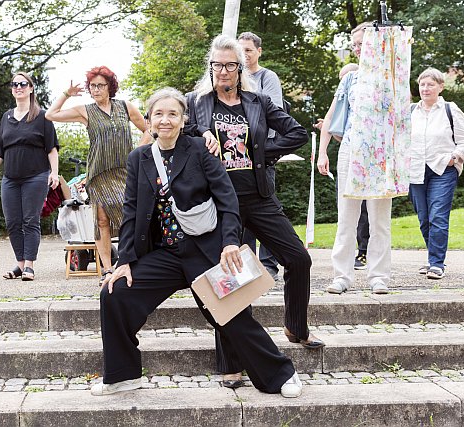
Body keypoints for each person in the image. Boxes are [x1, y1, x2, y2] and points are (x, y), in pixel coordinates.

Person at [93, 87, 302, 398]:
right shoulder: (139, 158)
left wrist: (230, 243)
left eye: (172, 114)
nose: (165, 120)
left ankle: (281, 374)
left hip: (205, 251)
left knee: (233, 315)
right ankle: (122, 375)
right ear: (149, 120)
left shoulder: (200, 149)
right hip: (165, 254)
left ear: (183, 119)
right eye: (159, 114)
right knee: (115, 293)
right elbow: (131, 211)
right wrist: (124, 261)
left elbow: (227, 200)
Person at [184, 35, 322, 390]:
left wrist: (261, 151)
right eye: (217, 65)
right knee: (229, 278)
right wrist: (201, 138)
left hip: (259, 197)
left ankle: (295, 326)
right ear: (210, 67)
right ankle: (230, 363)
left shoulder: (257, 101)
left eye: (230, 65)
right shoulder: (196, 103)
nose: (223, 71)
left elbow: (297, 133)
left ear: (240, 68)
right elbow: (177, 139)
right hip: (219, 202)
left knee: (298, 259)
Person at [46, 66, 149, 284]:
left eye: (100, 85)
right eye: (92, 86)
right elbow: (50, 115)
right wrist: (66, 94)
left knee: (129, 217)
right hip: (98, 174)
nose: (96, 90)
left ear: (110, 86)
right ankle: (108, 270)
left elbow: (149, 130)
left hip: (124, 172)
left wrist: (137, 153)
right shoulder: (86, 111)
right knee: (102, 221)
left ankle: (131, 263)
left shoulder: (125, 107)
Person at [317, 22, 392, 295]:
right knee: (346, 217)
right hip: (351, 150)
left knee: (379, 219)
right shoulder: (349, 79)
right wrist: (323, 151)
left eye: (362, 43)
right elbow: (331, 117)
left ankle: (379, 276)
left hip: (381, 154)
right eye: (355, 45)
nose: (357, 49)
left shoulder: (391, 76)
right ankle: (342, 276)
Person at [0, 72, 60, 281]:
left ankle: (29, 266)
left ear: (31, 88)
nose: (18, 87)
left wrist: (54, 173)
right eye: (14, 84)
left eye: (23, 84)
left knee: (30, 220)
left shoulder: (42, 116)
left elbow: (52, 149)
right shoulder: (6, 117)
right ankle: (19, 264)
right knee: (12, 222)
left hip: (35, 176)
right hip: (10, 178)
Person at [409, 68, 464, 279]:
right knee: (424, 219)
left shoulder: (450, 109)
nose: (425, 88)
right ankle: (433, 257)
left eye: (430, 84)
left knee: (438, 217)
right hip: (416, 170)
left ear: (440, 87)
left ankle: (436, 263)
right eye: (422, 84)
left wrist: (455, 157)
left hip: (443, 169)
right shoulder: (411, 111)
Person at [237, 31, 283, 280]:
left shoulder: (267, 77)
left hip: (262, 152)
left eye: (249, 50)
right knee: (243, 212)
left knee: (266, 208)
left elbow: (272, 112)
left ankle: (269, 265)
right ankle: (248, 267)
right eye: (241, 50)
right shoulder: (233, 76)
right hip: (237, 154)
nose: (244, 54)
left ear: (259, 52)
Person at [315, 63, 369, 271]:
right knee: (346, 209)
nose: (342, 81)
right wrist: (322, 152)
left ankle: (364, 251)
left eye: (345, 77)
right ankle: (345, 264)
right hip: (349, 155)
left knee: (366, 210)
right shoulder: (343, 98)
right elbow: (338, 130)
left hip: (369, 157)